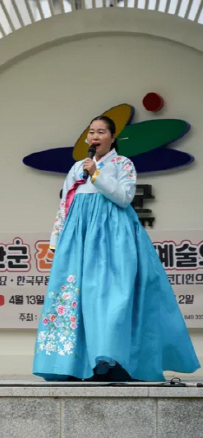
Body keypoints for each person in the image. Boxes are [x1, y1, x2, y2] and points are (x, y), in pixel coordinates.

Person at [33, 116, 200, 381]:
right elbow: (64, 205)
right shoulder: (77, 168)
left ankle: (113, 361)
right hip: (79, 240)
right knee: (76, 299)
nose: (95, 137)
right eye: (91, 132)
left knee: (113, 299)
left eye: (101, 132)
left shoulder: (123, 164)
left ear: (113, 138)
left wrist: (96, 175)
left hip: (114, 239)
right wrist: (55, 241)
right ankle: (77, 364)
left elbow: (124, 197)